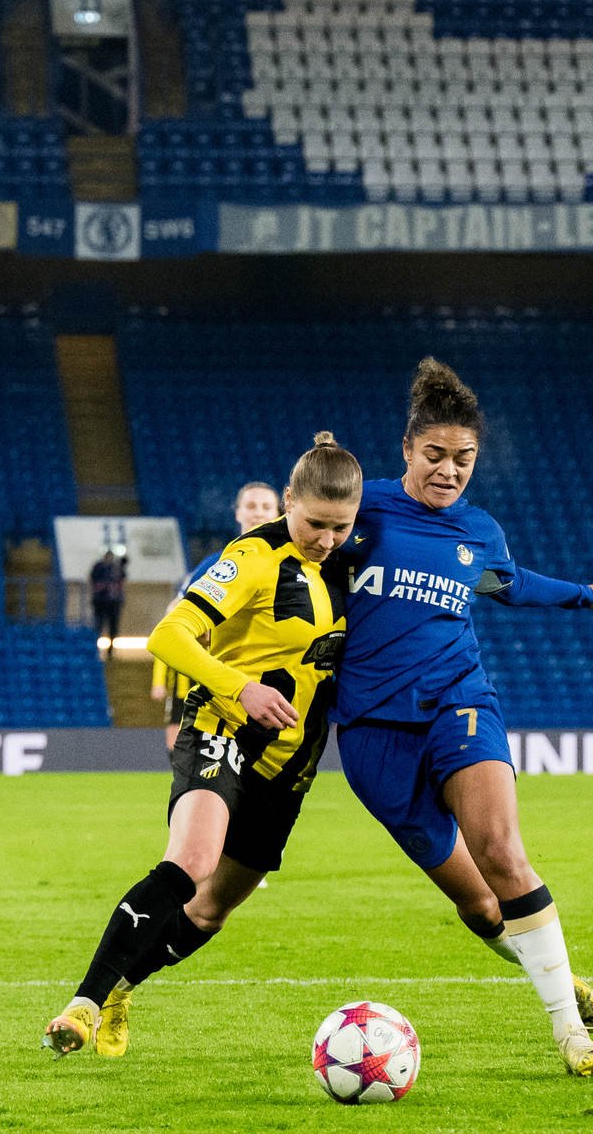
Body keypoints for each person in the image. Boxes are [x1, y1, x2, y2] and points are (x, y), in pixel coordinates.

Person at [333, 359, 593, 1077]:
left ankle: (569, 1034)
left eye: (464, 460)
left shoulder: (478, 533)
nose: (450, 471)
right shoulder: (361, 511)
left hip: (459, 702)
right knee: (481, 906)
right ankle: (558, 977)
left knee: (501, 848)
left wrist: (581, 592)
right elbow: (294, 542)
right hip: (371, 728)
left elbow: (508, 584)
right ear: (407, 450)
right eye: (436, 456)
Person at [43, 434, 360, 1058]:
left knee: (211, 912)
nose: (325, 539)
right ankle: (82, 1002)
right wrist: (239, 687)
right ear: (286, 500)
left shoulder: (351, 563)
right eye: (314, 523)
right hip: (221, 726)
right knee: (190, 862)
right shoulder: (252, 557)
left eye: (339, 527)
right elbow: (169, 634)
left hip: (292, 765)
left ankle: (123, 987)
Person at [153, 481, 283, 750]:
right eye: (251, 506)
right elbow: (174, 614)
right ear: (237, 513)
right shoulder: (219, 563)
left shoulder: (296, 565)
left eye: (266, 506)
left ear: (279, 511)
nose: (258, 513)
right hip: (229, 685)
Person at [89, 548, 127, 657]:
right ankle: (96, 650)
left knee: (113, 628)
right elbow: (94, 581)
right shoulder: (99, 567)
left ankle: (110, 651)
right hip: (101, 602)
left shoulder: (117, 568)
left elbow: (122, 582)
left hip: (114, 603)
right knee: (98, 626)